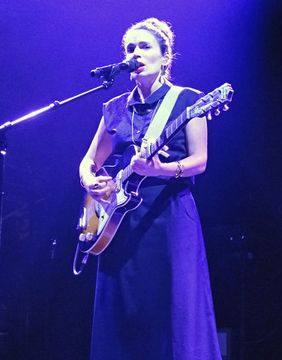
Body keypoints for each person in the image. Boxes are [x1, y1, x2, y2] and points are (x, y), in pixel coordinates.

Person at [79, 18, 222, 360]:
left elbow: (200, 161)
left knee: (173, 306)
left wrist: (162, 168)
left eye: (144, 47)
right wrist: (90, 181)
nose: (135, 53)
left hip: (170, 213)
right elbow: (89, 161)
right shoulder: (115, 107)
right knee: (123, 309)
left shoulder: (187, 100)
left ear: (165, 56)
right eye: (130, 48)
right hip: (119, 221)